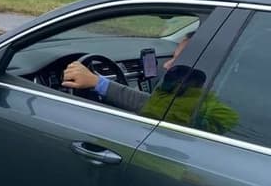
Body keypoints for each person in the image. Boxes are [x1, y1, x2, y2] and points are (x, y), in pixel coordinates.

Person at [61, 34, 238, 133]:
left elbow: (150, 106)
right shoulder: (202, 97)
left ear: (196, 69)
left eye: (177, 60)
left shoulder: (196, 103)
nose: (166, 65)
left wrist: (96, 82)